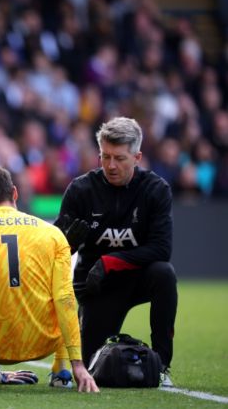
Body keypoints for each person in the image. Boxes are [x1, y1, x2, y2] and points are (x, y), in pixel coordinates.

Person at [0, 165, 99, 393]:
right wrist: (79, 365)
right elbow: (65, 299)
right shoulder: (53, 235)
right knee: (61, 287)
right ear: (15, 193)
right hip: (44, 343)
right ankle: (60, 370)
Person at [54, 116, 178, 387]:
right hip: (96, 286)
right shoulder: (81, 189)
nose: (111, 165)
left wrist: (111, 261)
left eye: (119, 158)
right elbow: (55, 249)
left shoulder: (156, 190)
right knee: (92, 369)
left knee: (164, 273)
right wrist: (67, 242)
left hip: (138, 278)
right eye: (105, 156)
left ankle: (162, 367)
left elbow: (161, 249)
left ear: (137, 156)